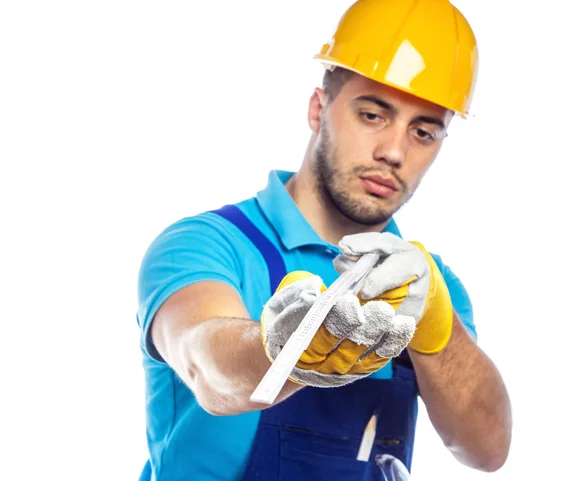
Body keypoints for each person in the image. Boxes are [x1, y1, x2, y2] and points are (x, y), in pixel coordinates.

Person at [135, 0, 512, 479]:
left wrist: (438, 321)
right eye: (373, 115)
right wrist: (283, 348)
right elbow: (206, 369)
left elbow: (487, 449)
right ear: (318, 109)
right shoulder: (205, 244)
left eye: (423, 131)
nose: (395, 151)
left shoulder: (428, 284)